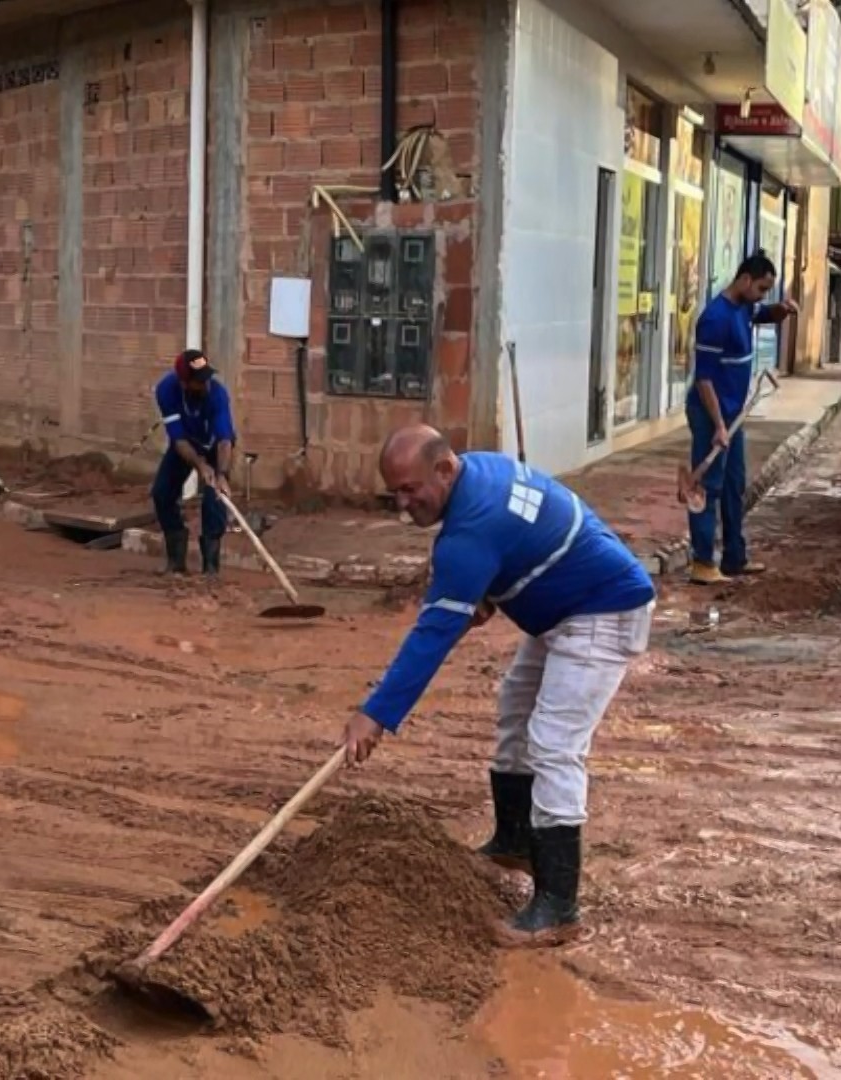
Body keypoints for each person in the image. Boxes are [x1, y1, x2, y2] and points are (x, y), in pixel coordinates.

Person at [341, 426, 657, 947]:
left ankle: (558, 907)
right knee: (515, 705)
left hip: (600, 609)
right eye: (393, 492)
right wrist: (486, 590)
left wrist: (374, 714)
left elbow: (432, 637)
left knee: (555, 745)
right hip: (564, 605)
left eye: (410, 489)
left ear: (445, 469)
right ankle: (515, 841)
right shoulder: (481, 470)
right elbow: (514, 544)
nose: (402, 505)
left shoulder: (468, 535)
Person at [686, 252, 798, 586]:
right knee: (709, 486)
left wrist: (781, 310)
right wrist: (719, 425)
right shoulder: (714, 319)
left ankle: (735, 557)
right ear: (745, 280)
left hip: (734, 412)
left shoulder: (744, 307)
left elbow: (763, 313)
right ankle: (702, 563)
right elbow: (704, 380)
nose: (764, 295)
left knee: (735, 484)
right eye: (762, 288)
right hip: (711, 413)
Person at [151, 349, 236, 576]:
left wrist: (221, 474)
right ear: (184, 382)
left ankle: (210, 568)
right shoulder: (166, 390)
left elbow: (225, 440)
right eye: (199, 381)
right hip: (186, 446)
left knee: (214, 499)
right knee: (161, 493)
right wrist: (199, 465)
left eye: (207, 377)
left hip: (216, 448)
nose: (206, 384)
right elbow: (177, 439)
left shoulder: (217, 394)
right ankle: (176, 560)